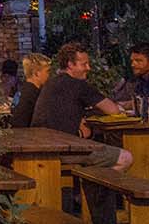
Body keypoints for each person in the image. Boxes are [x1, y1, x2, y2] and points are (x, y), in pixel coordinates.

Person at [29, 43, 132, 171]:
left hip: (42, 147)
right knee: (125, 157)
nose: (88, 68)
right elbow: (113, 110)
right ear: (70, 65)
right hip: (63, 151)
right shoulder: (78, 85)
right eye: (84, 64)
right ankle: (100, 188)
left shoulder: (51, 83)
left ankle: (93, 186)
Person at [112, 42, 149, 111]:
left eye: (138, 61)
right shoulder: (140, 79)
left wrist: (125, 105)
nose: (133, 65)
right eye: (132, 61)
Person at [11, 53, 51, 128]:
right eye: (47, 71)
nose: (49, 75)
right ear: (37, 73)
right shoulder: (34, 94)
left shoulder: (23, 91)